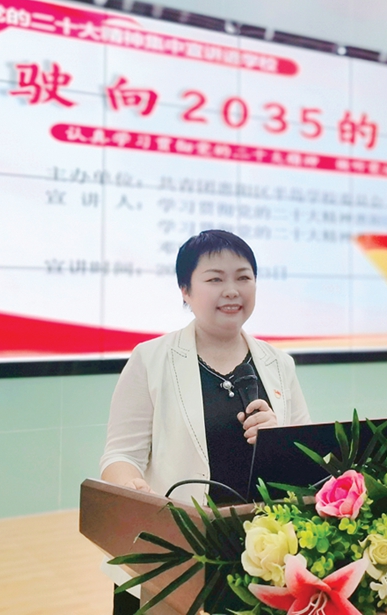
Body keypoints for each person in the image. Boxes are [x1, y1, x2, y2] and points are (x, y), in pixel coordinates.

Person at [100, 230, 310, 612]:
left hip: (260, 555)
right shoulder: (150, 359)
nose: (232, 290)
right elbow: (120, 454)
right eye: (215, 279)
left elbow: (307, 459)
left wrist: (279, 439)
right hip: (172, 549)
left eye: (243, 277)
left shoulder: (279, 364)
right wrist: (132, 488)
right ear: (185, 290)